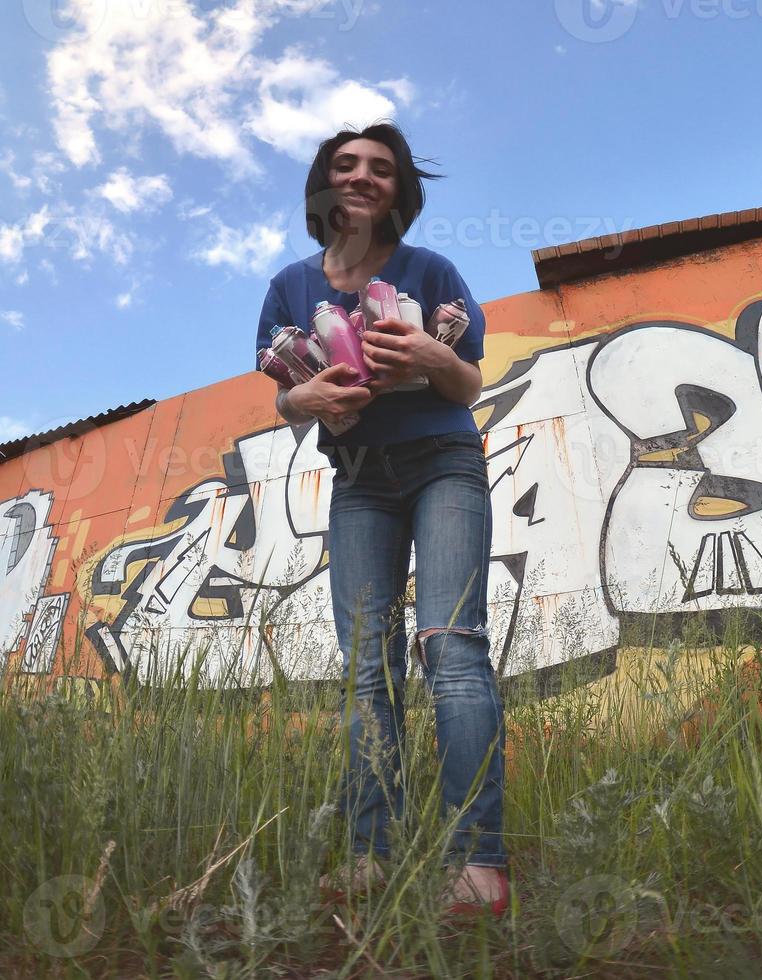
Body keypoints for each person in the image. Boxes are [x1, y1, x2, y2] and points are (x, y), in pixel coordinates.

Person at [252, 121, 509, 916]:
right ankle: (372, 855)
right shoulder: (291, 287)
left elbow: (466, 386)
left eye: (381, 169)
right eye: (345, 165)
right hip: (358, 481)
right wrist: (305, 398)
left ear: (399, 191)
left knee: (451, 649)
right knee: (369, 671)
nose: (362, 177)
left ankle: (478, 866)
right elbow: (282, 393)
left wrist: (430, 358)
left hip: (443, 464)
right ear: (323, 186)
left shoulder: (430, 270)